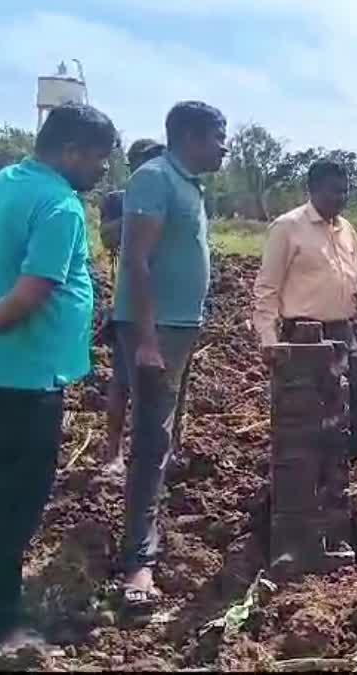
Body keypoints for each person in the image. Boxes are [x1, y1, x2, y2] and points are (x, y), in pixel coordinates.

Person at [0, 103, 117, 651]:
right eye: (100, 159)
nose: (102, 171)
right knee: (15, 502)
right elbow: (34, 292)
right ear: (71, 151)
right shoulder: (60, 206)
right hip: (26, 376)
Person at [114, 101, 227, 609]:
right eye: (217, 137)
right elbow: (135, 260)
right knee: (150, 442)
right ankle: (137, 561)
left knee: (164, 437)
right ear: (189, 136)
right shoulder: (155, 178)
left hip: (180, 327)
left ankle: (151, 524)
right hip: (156, 330)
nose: (223, 147)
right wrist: (146, 340)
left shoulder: (188, 183)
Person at [252, 159, 357, 457]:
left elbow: (354, 279)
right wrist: (268, 337)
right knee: (306, 406)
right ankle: (301, 469)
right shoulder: (288, 227)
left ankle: (346, 463)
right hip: (304, 333)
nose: (341, 198)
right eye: (334, 191)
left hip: (343, 328)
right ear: (313, 189)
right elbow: (267, 288)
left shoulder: (347, 230)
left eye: (345, 192)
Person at [99, 138, 165, 473]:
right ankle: (113, 452)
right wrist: (140, 214)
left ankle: (163, 450)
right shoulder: (117, 201)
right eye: (146, 159)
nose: (154, 165)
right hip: (129, 301)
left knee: (168, 383)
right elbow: (108, 237)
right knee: (122, 380)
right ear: (133, 164)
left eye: (158, 158)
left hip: (168, 302)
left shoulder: (173, 192)